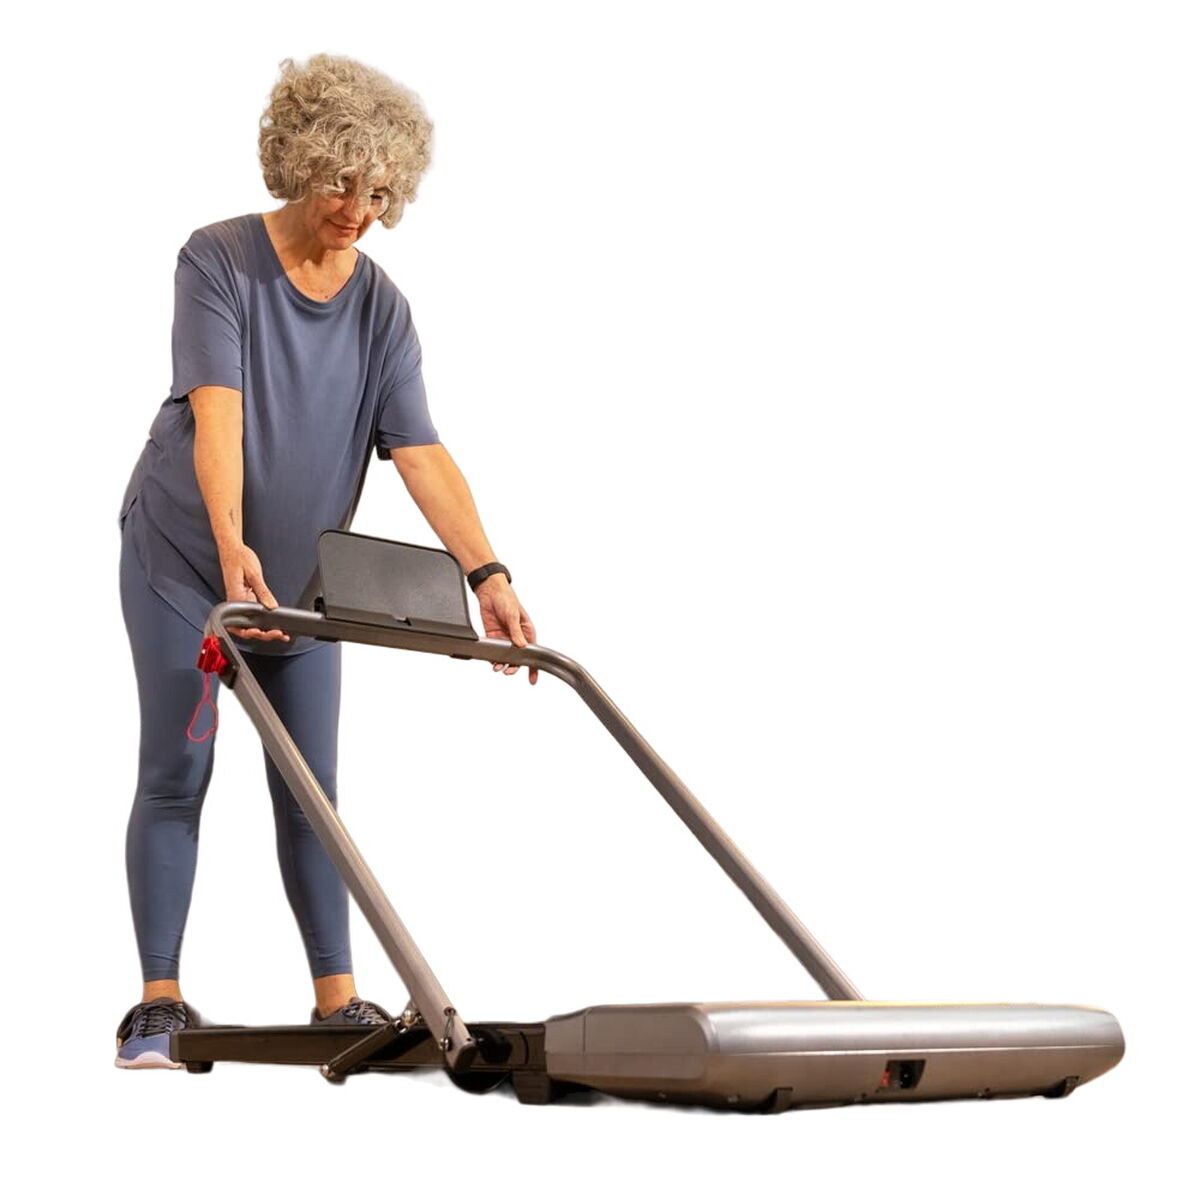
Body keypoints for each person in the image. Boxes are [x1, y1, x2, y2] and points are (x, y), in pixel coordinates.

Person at [114, 53, 538, 1069]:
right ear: (300, 162)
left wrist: (488, 573)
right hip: (185, 561)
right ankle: (159, 1003)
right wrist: (230, 547)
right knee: (178, 768)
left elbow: (420, 452)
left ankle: (336, 1002)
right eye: (342, 183)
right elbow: (219, 413)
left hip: (302, 587)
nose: (359, 210)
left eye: (380, 192)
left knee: (313, 790)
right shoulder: (217, 261)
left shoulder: (383, 308)